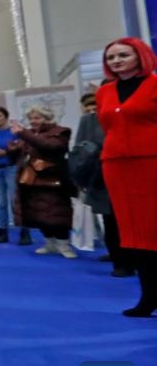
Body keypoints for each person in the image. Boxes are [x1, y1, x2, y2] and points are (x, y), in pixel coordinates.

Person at [95, 37, 157, 317]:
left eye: (123, 55)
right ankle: (148, 296)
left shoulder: (155, 84)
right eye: (111, 57)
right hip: (117, 165)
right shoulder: (105, 91)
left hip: (152, 162)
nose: (116, 61)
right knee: (133, 232)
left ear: (140, 56)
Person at [72, 93, 133, 276]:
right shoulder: (88, 121)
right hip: (101, 177)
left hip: (134, 174)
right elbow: (80, 152)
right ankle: (120, 261)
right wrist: (81, 178)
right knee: (111, 222)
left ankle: (137, 260)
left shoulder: (131, 114)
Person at [12, 107, 75, 258]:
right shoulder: (29, 134)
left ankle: (64, 245)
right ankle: (49, 242)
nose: (33, 121)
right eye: (31, 118)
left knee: (57, 213)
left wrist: (24, 134)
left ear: (48, 118)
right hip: (31, 180)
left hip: (53, 180)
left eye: (37, 118)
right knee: (37, 213)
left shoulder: (61, 131)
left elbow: (51, 147)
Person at [0, 106, 30, 245]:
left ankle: (24, 231)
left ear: (5, 117)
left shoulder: (14, 132)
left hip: (11, 168)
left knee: (15, 200)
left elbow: (23, 150)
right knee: (0, 202)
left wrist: (6, 153)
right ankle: (2, 230)